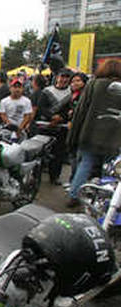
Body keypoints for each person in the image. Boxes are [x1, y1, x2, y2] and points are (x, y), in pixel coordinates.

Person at [66, 60, 121, 207]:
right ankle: (103, 203)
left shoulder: (94, 84)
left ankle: (74, 195)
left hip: (89, 134)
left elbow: (81, 111)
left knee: (85, 165)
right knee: (108, 171)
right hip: (115, 139)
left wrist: (73, 135)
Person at [37, 68, 73, 185]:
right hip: (46, 127)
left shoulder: (71, 93)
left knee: (59, 154)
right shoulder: (47, 91)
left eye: (67, 77)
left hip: (61, 128)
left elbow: (71, 109)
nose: (64, 79)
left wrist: (61, 118)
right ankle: (36, 176)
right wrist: (52, 116)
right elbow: (41, 108)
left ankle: (54, 177)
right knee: (41, 152)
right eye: (62, 76)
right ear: (57, 77)